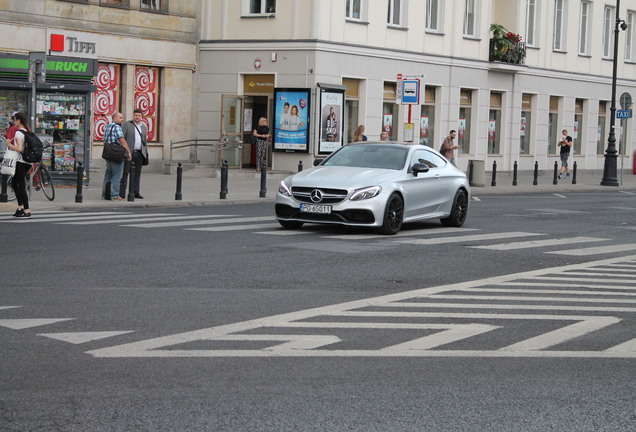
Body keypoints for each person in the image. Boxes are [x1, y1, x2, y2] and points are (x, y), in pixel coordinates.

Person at [6, 112, 32, 218]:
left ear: (19, 121)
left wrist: (9, 145)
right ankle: (20, 207)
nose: (14, 121)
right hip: (27, 162)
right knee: (15, 182)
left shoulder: (18, 133)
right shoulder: (27, 131)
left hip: (20, 161)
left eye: (15, 120)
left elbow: (20, 149)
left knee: (20, 185)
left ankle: (26, 209)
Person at [102, 112, 132, 200]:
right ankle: (114, 194)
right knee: (116, 174)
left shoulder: (108, 126)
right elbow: (122, 140)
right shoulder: (117, 127)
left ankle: (105, 193)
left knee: (108, 174)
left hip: (108, 153)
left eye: (122, 118)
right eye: (120, 117)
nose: (122, 119)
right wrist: (128, 152)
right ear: (114, 118)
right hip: (116, 153)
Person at [120, 108, 148, 199]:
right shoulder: (127, 125)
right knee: (125, 173)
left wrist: (145, 151)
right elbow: (122, 138)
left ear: (142, 117)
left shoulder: (143, 127)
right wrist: (125, 151)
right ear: (133, 116)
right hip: (129, 153)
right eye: (136, 115)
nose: (137, 117)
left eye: (139, 115)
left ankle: (136, 192)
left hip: (139, 153)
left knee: (137, 173)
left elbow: (144, 141)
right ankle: (122, 192)